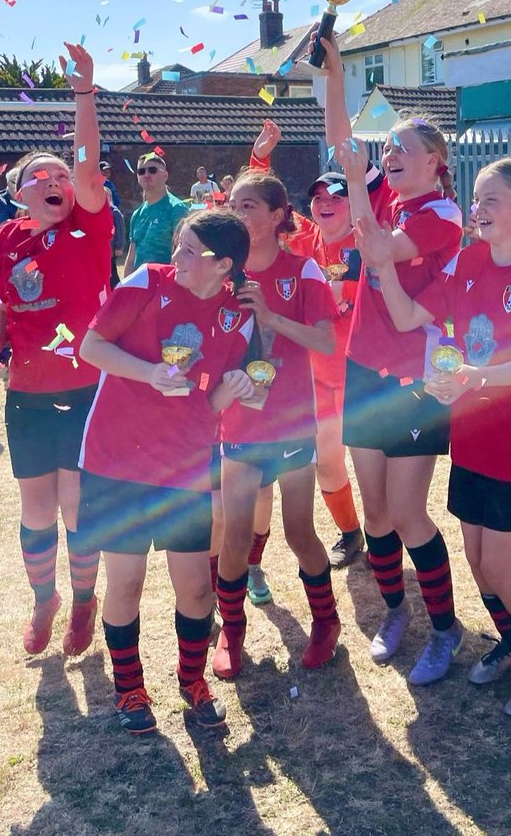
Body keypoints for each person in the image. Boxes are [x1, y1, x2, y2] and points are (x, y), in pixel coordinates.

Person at [357, 158, 511, 717]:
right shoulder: (467, 259)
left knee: (500, 564)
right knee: (477, 558)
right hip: (472, 427)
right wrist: (381, 265)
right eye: (477, 197)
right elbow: (409, 319)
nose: (479, 209)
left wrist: (476, 376)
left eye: (492, 199)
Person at [77, 209, 257, 734]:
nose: (175, 255)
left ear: (223, 264)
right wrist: (150, 373)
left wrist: (237, 389)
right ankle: (130, 690)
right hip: (118, 458)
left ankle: (192, 682)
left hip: (184, 464)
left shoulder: (237, 313)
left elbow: (214, 396)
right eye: (178, 245)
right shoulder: (146, 281)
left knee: (196, 589)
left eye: (187, 249)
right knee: (126, 582)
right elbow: (92, 346)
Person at [322, 32, 464, 686]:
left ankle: (444, 627)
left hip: (416, 382)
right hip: (364, 370)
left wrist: (356, 187)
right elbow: (345, 144)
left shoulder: (441, 214)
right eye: (389, 147)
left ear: (436, 160)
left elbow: (377, 252)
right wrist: (332, 73)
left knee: (407, 514)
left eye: (403, 148)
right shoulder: (389, 195)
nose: (389, 154)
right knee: (375, 513)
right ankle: (394, 611)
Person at [0, 43, 114, 657]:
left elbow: (86, 169)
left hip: (84, 391)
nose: (57, 181)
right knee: (36, 508)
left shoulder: (87, 228)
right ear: (18, 191)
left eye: (63, 175)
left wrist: (83, 93)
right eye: (43, 175)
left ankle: (84, 602)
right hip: (26, 396)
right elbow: (12, 313)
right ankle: (44, 601)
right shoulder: (5, 238)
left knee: (76, 504)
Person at [213, 170, 343, 678]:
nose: (240, 213)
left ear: (275, 215)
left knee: (298, 531)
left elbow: (327, 343)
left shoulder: (303, 270)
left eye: (249, 206)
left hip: (290, 424)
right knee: (235, 536)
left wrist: (271, 319)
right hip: (239, 423)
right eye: (234, 205)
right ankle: (232, 632)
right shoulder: (223, 273)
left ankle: (326, 622)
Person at [248, 118, 366, 568]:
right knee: (328, 463)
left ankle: (373, 532)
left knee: (361, 468)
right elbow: (261, 207)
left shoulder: (373, 241)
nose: (324, 204)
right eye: (317, 198)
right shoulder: (302, 242)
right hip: (316, 377)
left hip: (360, 374)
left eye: (335, 196)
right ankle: (352, 533)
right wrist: (261, 157)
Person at [122, 154, 190, 277]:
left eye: (152, 170)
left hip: (165, 286)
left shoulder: (177, 209)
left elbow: (182, 251)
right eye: (141, 171)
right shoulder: (137, 214)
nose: (146, 175)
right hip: (141, 286)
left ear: (165, 175)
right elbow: (131, 257)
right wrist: (126, 288)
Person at [0, 168, 21, 237]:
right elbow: (6, 227)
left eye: (21, 182)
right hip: (7, 245)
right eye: (15, 182)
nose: (18, 186)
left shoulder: (29, 200)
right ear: (8, 183)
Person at [106, 186, 126, 290]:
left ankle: (118, 289)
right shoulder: (103, 212)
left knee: (112, 273)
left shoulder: (115, 212)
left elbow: (121, 230)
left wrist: (120, 247)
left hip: (113, 249)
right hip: (106, 250)